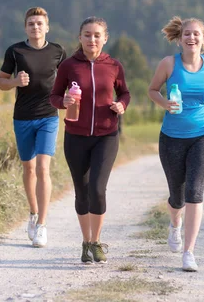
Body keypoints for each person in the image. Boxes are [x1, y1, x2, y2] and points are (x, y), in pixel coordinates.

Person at [147, 16, 204, 271]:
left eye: (196, 34)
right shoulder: (168, 64)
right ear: (180, 38)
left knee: (194, 192)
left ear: (203, 39)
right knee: (177, 197)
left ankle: (189, 252)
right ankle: (175, 224)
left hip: (203, 136)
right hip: (172, 138)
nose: (191, 38)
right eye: (187, 33)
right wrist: (165, 104)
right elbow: (152, 90)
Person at [50, 16, 130, 264]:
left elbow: (125, 92)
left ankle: (96, 242)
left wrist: (121, 104)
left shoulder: (114, 65)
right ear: (80, 38)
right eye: (87, 34)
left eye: (97, 35)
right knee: (82, 191)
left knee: (97, 188)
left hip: (107, 135)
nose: (92, 39)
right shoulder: (68, 66)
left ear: (105, 38)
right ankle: (85, 243)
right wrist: (62, 102)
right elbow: (53, 96)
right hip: (76, 136)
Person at [0, 7, 66, 248]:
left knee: (43, 168)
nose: (35, 27)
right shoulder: (15, 51)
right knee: (29, 168)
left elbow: (69, 78)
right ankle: (34, 213)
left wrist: (70, 95)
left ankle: (43, 226)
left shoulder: (58, 51)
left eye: (39, 23)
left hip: (49, 115)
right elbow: (1, 82)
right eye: (31, 24)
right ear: (25, 27)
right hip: (23, 117)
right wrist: (15, 81)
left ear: (47, 27)